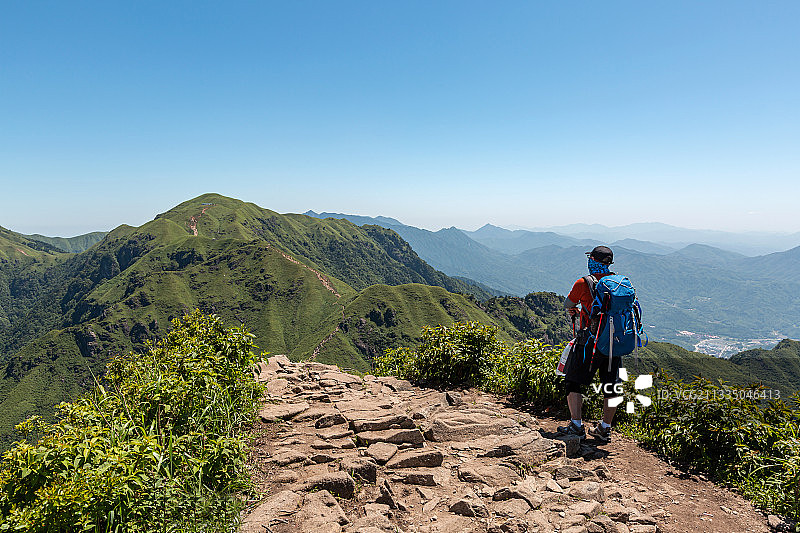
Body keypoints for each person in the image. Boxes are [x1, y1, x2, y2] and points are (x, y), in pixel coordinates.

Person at [557, 245, 620, 443]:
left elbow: (568, 304)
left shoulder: (583, 283)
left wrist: (578, 308)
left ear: (592, 260)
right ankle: (605, 428)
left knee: (573, 381)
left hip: (590, 343)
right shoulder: (618, 282)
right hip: (613, 341)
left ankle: (576, 426)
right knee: (611, 385)